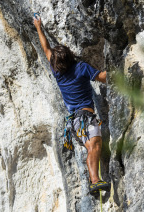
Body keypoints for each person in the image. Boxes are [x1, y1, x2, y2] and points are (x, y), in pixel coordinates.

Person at [33, 14, 110, 194]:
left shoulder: (57, 71)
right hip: (85, 117)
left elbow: (45, 49)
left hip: (74, 123)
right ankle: (95, 181)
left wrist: (38, 27)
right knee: (95, 145)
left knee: (92, 146)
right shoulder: (81, 68)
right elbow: (103, 78)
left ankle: (95, 181)